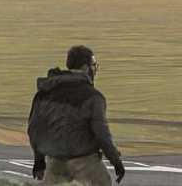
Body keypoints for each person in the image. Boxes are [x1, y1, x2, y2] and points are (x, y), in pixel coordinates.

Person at [28, 45, 125, 185]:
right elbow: (102, 135)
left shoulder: (44, 93)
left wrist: (39, 161)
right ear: (86, 68)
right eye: (94, 65)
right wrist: (116, 162)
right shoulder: (93, 97)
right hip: (85, 162)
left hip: (54, 162)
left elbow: (34, 129)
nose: (95, 69)